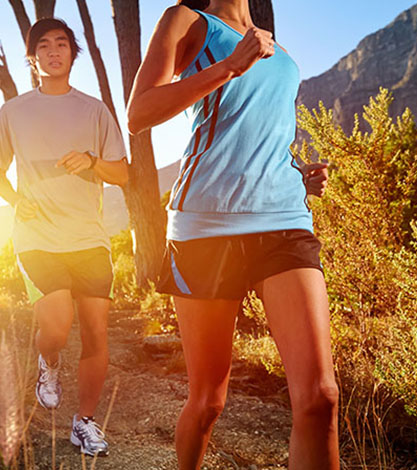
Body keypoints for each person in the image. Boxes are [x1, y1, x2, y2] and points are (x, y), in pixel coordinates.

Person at [126, 1, 338, 469]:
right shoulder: (185, 21)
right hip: (205, 227)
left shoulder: (275, 48)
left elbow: (258, 133)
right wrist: (230, 65)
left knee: (320, 396)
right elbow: (139, 113)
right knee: (208, 402)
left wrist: (296, 175)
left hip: (284, 219)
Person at [0, 18, 128, 457]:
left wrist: (91, 161)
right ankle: (48, 362)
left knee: (96, 333)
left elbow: (122, 173)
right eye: (44, 46)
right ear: (33, 57)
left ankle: (84, 423)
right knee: (56, 323)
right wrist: (14, 199)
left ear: (73, 53)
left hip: (89, 238)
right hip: (36, 236)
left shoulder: (95, 110)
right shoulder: (12, 112)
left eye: (62, 44)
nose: (53, 51)